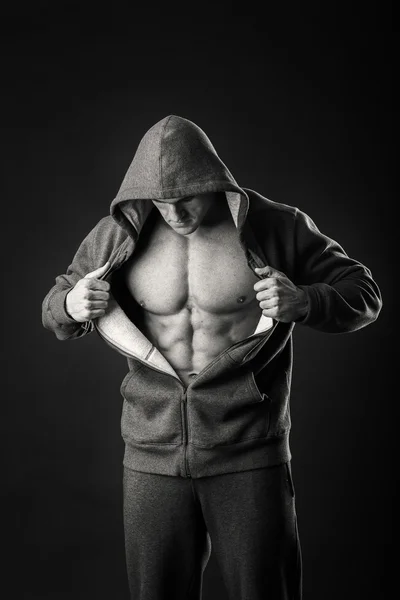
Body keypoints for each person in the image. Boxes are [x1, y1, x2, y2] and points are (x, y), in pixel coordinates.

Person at [42, 115, 382, 600]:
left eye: (187, 200)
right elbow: (56, 303)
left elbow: (364, 293)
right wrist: (69, 306)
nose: (176, 215)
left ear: (215, 183)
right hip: (151, 450)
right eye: (163, 203)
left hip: (249, 447)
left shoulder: (276, 225)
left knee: (267, 591)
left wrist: (306, 301)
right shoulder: (118, 234)